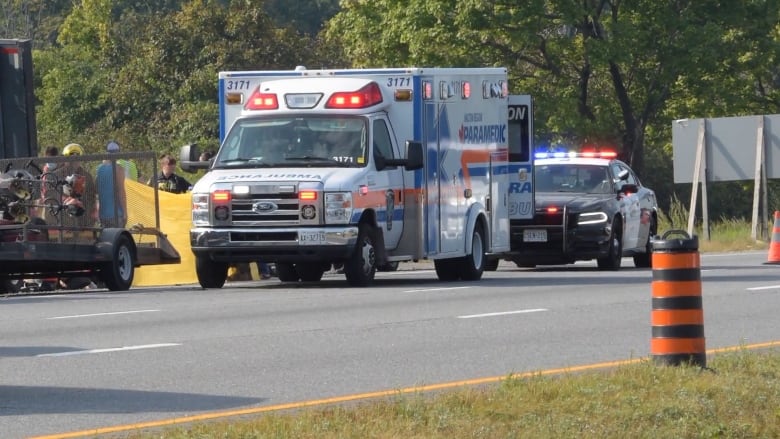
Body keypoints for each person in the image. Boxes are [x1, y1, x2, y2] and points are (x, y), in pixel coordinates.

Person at [96, 143, 128, 228]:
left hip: (103, 214)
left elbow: (98, 191)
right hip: (116, 214)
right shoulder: (119, 169)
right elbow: (121, 191)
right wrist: (125, 212)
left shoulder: (99, 169)